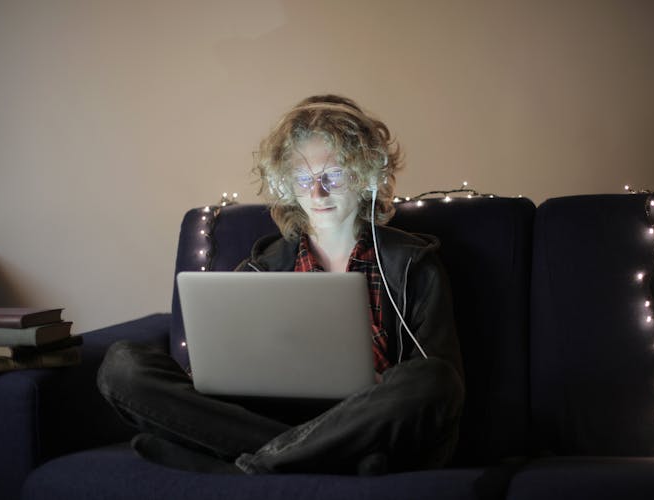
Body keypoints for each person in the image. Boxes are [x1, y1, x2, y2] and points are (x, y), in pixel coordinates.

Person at [97, 94, 465, 475]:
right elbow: (211, 375)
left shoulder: (413, 265)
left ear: (366, 176)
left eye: (333, 176)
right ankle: (316, 458)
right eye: (303, 179)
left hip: (364, 421)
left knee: (433, 379)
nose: (316, 193)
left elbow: (442, 386)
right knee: (121, 365)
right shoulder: (260, 269)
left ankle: (244, 460)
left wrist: (378, 386)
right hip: (272, 414)